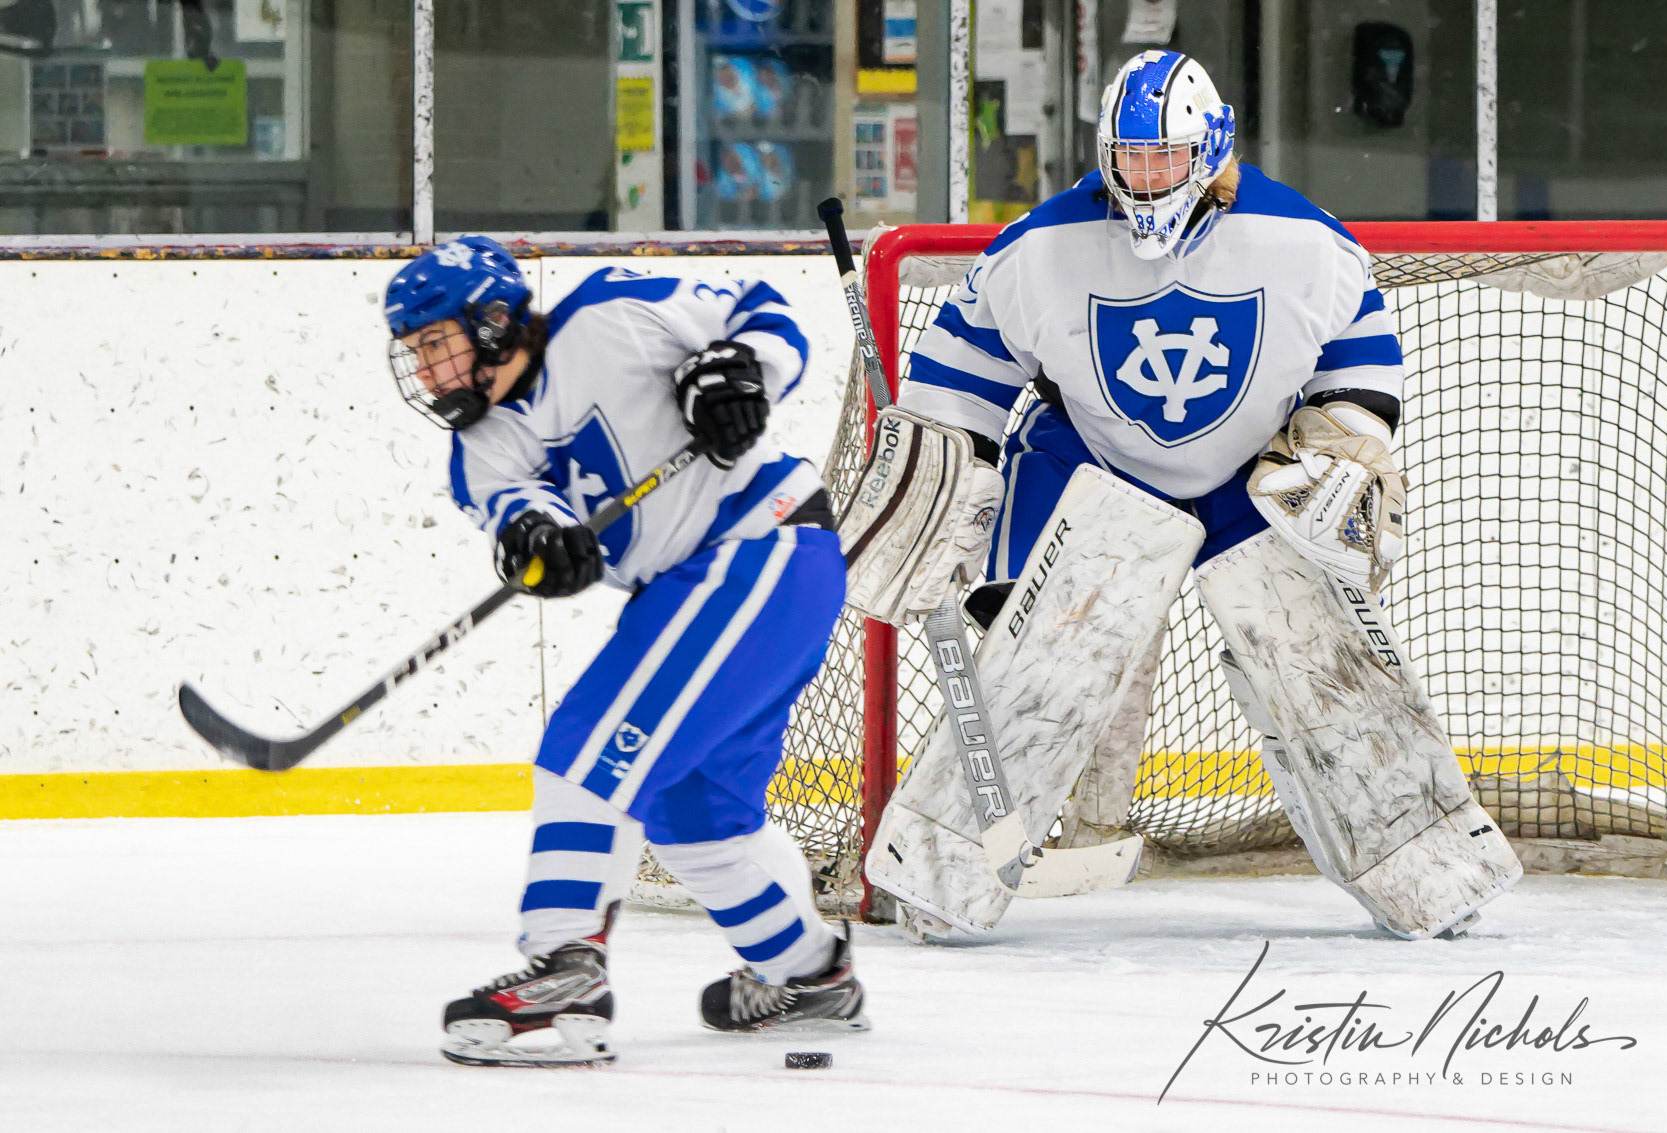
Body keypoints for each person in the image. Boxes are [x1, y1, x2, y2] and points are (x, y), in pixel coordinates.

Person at [847, 50, 1521, 941]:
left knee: (1318, 661)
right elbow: (964, 366)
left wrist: (1343, 434)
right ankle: (942, 868)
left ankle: (1424, 864)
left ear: (1211, 148)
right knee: (1043, 667)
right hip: (1092, 467)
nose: (1148, 174)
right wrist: (946, 474)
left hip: (1253, 480)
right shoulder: (1039, 247)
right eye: (1131, 155)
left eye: (1165, 155)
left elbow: (1358, 352)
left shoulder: (1303, 239)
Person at [383, 237, 867, 1066]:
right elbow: (518, 511)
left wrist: (739, 373)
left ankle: (565, 967)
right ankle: (809, 973)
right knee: (696, 820)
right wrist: (544, 541)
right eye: (415, 353)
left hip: (760, 547)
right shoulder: (481, 451)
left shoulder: (614, 311)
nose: (425, 372)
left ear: (493, 321)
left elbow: (764, 310)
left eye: (436, 343)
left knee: (586, 749)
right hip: (720, 586)